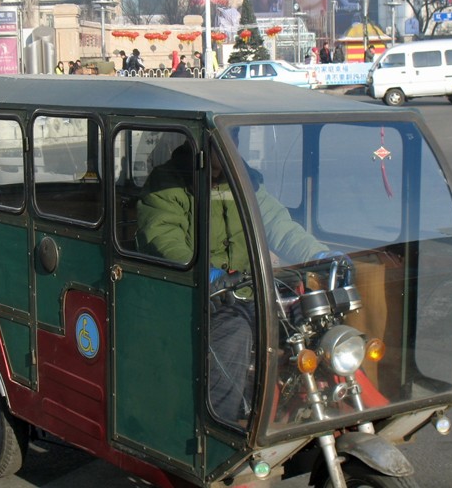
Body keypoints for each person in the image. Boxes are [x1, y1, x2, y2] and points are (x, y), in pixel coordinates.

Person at [136, 141, 330, 421]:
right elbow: (162, 237)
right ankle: (219, 424)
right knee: (233, 332)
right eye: (223, 143)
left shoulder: (244, 180)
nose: (232, 148)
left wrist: (318, 255)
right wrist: (204, 272)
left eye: (234, 140)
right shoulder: (168, 183)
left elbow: (279, 226)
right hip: (194, 295)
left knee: (307, 317)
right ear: (201, 144)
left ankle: (300, 403)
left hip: (248, 289)